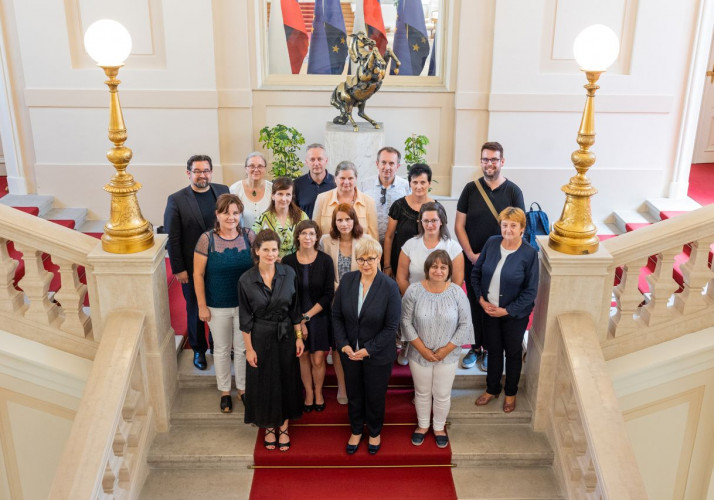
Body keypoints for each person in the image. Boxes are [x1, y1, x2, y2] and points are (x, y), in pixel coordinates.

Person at [455, 142, 525, 371]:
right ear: (481, 161)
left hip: (502, 263)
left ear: (502, 161)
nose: (489, 164)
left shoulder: (513, 191)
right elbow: (459, 225)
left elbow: (519, 228)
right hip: (473, 260)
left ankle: (491, 350)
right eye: (485, 159)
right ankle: (475, 347)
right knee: (475, 304)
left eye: (494, 159)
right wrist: (470, 254)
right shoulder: (470, 189)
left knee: (495, 304)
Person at [332, 238, 401, 456]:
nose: (366, 264)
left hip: (377, 355)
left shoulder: (389, 286)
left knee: (375, 395)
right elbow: (336, 315)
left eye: (370, 259)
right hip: (350, 352)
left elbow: (391, 327)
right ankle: (355, 430)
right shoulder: (348, 280)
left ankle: (374, 432)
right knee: (354, 393)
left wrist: (369, 349)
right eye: (361, 259)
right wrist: (343, 344)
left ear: (378, 258)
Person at [239, 230, 304, 451]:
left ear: (279, 251)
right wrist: (249, 349)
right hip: (260, 336)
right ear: (257, 251)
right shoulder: (246, 280)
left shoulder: (289, 273)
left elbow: (295, 310)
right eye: (265, 249)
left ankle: (283, 427)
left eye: (274, 249)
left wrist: (298, 337)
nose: (270, 254)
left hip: (286, 335)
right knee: (264, 383)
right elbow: (245, 318)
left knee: (286, 380)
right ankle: (268, 426)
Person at [400, 250, 473, 448]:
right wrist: (423, 350)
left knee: (442, 393)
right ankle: (423, 426)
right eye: (434, 266)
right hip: (419, 353)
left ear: (449, 270)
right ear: (427, 268)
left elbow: (465, 324)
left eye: (443, 267)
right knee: (422, 392)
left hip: (448, 355)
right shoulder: (414, 291)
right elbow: (405, 321)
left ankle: (439, 427)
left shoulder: (457, 292)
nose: (438, 271)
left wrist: (446, 350)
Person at [471, 207, 538, 413]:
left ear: (522, 228)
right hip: (489, 310)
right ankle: (492, 389)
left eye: (513, 226)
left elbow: (530, 291)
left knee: (513, 353)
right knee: (493, 350)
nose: (508, 229)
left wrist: (507, 311)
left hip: (514, 315)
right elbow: (476, 273)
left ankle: (510, 393)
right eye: (505, 225)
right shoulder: (492, 242)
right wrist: (481, 300)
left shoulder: (529, 253)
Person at [164, 154, 228, 370]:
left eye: (206, 170)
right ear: (188, 173)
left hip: (220, 264)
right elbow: (173, 238)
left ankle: (218, 345)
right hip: (192, 267)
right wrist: (179, 268)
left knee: (219, 307)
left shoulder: (222, 191)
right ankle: (199, 349)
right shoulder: (177, 199)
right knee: (195, 308)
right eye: (197, 171)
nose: (202, 175)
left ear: (211, 172)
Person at [193, 194, 255, 413]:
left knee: (242, 348)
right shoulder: (206, 239)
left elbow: (259, 266)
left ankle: (243, 389)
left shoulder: (249, 235)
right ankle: (225, 391)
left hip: (245, 305)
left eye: (235, 213)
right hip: (217, 304)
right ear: (217, 214)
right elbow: (198, 274)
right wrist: (202, 306)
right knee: (221, 349)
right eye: (226, 212)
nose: (231, 217)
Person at [320, 203, 377, 404]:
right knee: (339, 345)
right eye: (340, 220)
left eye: (348, 219)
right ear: (334, 222)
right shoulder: (326, 241)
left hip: (361, 299)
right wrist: (340, 289)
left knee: (358, 341)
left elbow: (373, 271)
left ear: (354, 220)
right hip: (334, 299)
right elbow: (322, 270)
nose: (344, 224)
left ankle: (359, 384)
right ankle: (342, 386)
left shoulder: (366, 240)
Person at [395, 202, 464, 365]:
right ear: (420, 222)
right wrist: (415, 300)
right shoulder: (410, 245)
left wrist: (441, 301)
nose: (430, 225)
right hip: (414, 298)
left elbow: (457, 281)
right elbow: (401, 277)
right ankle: (408, 345)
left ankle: (439, 346)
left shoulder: (453, 247)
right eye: (426, 221)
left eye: (434, 220)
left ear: (441, 221)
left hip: (444, 299)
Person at [282, 221, 335, 413]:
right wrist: (299, 320)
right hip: (294, 316)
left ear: (317, 237)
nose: (308, 237)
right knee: (303, 356)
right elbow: (287, 294)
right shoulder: (288, 261)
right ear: (297, 236)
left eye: (312, 234)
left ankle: (318, 392)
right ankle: (309, 393)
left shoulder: (325, 260)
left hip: (319, 315)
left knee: (318, 359)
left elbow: (328, 294)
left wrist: (306, 317)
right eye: (304, 233)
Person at [383, 163, 435, 279]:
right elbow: (389, 237)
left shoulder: (436, 209)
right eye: (415, 182)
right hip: (400, 265)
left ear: (429, 183)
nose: (418, 186)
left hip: (427, 267)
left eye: (423, 182)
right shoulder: (399, 206)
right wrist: (387, 265)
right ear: (410, 183)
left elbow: (440, 238)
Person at [313, 161, 378, 240]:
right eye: (342, 178)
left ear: (356, 179)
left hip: (360, 248)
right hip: (328, 248)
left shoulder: (369, 202)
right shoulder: (322, 199)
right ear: (335, 179)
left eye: (350, 178)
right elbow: (315, 233)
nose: (346, 182)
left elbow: (373, 237)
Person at [358, 146, 410, 244]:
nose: (387, 167)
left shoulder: (406, 186)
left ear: (398, 166)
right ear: (377, 164)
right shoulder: (364, 185)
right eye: (383, 162)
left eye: (391, 163)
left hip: (396, 242)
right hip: (370, 241)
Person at [252, 177, 308, 258]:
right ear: (273, 196)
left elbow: (308, 241)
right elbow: (255, 244)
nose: (284, 199)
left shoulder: (302, 216)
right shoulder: (263, 218)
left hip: (296, 262)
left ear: (292, 197)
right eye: (280, 194)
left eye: (288, 194)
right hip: (271, 261)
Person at [230, 152, 273, 230]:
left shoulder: (272, 189)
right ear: (246, 169)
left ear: (265, 169)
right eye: (251, 166)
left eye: (260, 166)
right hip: (242, 236)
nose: (256, 170)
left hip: (268, 236)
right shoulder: (235, 189)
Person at [293, 143, 336, 217]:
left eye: (319, 159)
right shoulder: (297, 184)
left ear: (326, 161)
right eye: (312, 159)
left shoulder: (336, 183)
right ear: (307, 162)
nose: (316, 163)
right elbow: (293, 213)